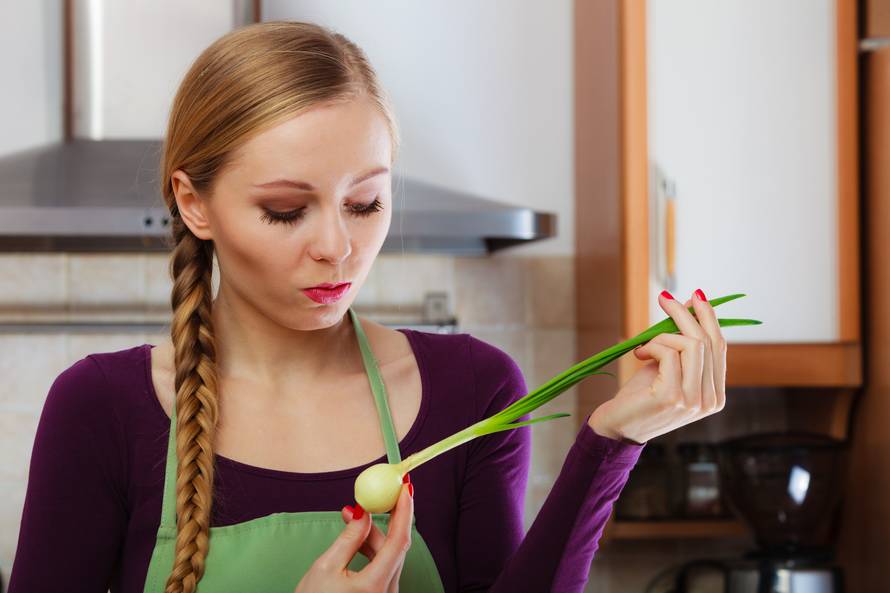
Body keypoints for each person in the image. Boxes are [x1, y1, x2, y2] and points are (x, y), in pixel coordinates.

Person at [7, 20, 728, 593]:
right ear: (194, 202)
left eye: (365, 203)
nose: (338, 247)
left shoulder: (474, 390)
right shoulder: (100, 409)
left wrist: (614, 439)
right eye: (287, 210)